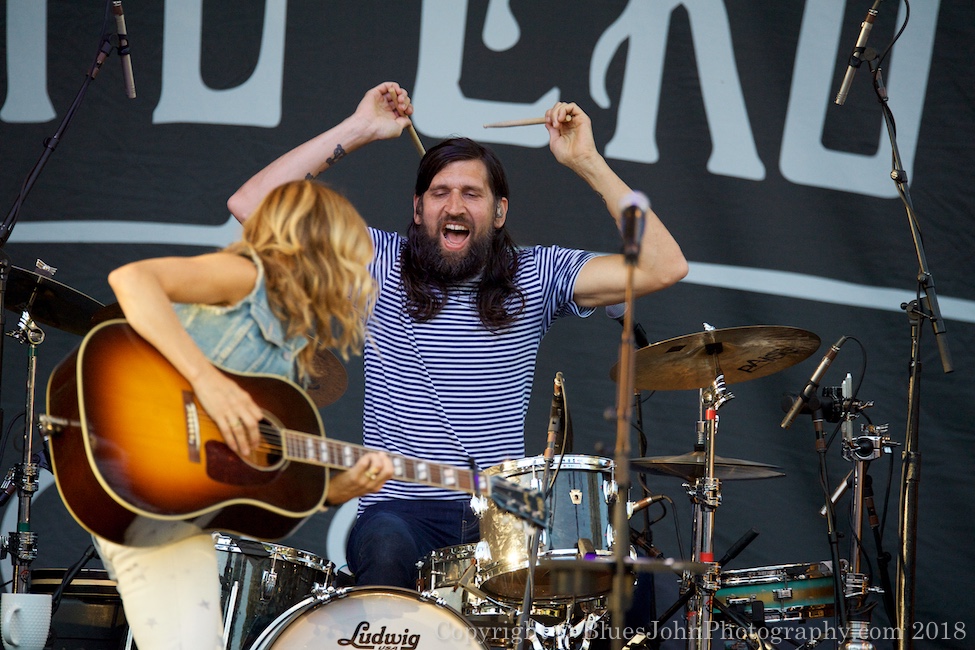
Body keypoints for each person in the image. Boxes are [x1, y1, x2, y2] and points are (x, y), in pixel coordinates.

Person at [227, 82, 688, 590]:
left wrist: (588, 161)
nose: (454, 205)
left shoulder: (536, 273)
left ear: (499, 212)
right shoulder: (376, 261)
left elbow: (664, 265)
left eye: (472, 194)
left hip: (501, 512)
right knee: (385, 548)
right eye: (440, 193)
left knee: (627, 579)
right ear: (418, 209)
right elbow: (251, 203)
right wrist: (360, 129)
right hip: (398, 508)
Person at [97, 180, 394, 650]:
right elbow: (132, 280)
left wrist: (333, 492)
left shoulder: (291, 347)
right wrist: (206, 381)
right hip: (137, 470)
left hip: (179, 510)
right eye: (346, 253)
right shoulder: (246, 276)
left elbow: (250, 477)